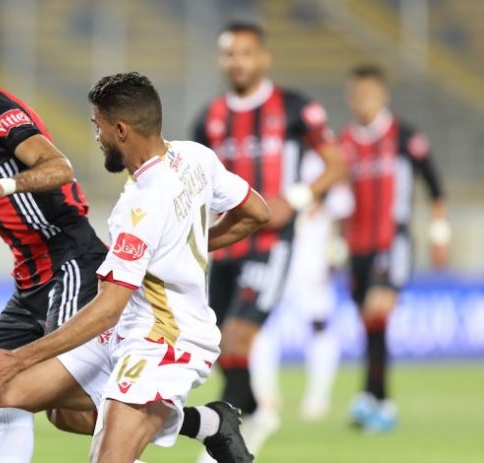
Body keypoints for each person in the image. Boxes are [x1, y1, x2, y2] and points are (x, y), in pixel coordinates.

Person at [0, 40, 250, 463]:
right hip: (30, 280)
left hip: (69, 265)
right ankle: (206, 423)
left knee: (61, 402)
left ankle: (189, 424)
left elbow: (59, 167)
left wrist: (1, 186)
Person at [190, 21, 345, 456]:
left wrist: (295, 198)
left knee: (238, 338)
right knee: (220, 345)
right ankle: (258, 411)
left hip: (271, 245)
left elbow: (336, 164)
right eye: (229, 54)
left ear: (263, 58)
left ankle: (222, 440)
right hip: (225, 244)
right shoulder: (210, 119)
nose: (236, 62)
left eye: (245, 53)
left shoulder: (295, 109)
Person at [340, 64, 449, 433]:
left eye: (368, 94)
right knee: (369, 325)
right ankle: (379, 400)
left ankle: (373, 399)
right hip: (357, 247)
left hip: (393, 241)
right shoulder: (344, 143)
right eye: (356, 94)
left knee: (377, 312)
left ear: (383, 96)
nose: (362, 101)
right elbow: (338, 197)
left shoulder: (404, 136)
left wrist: (439, 235)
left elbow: (435, 187)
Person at [241, 150, 353, 453]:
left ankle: (318, 396)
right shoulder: (270, 153)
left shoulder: (319, 161)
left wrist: (337, 245)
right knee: (259, 324)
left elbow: (341, 207)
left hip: (312, 257)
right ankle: (265, 395)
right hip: (275, 253)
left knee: (319, 325)